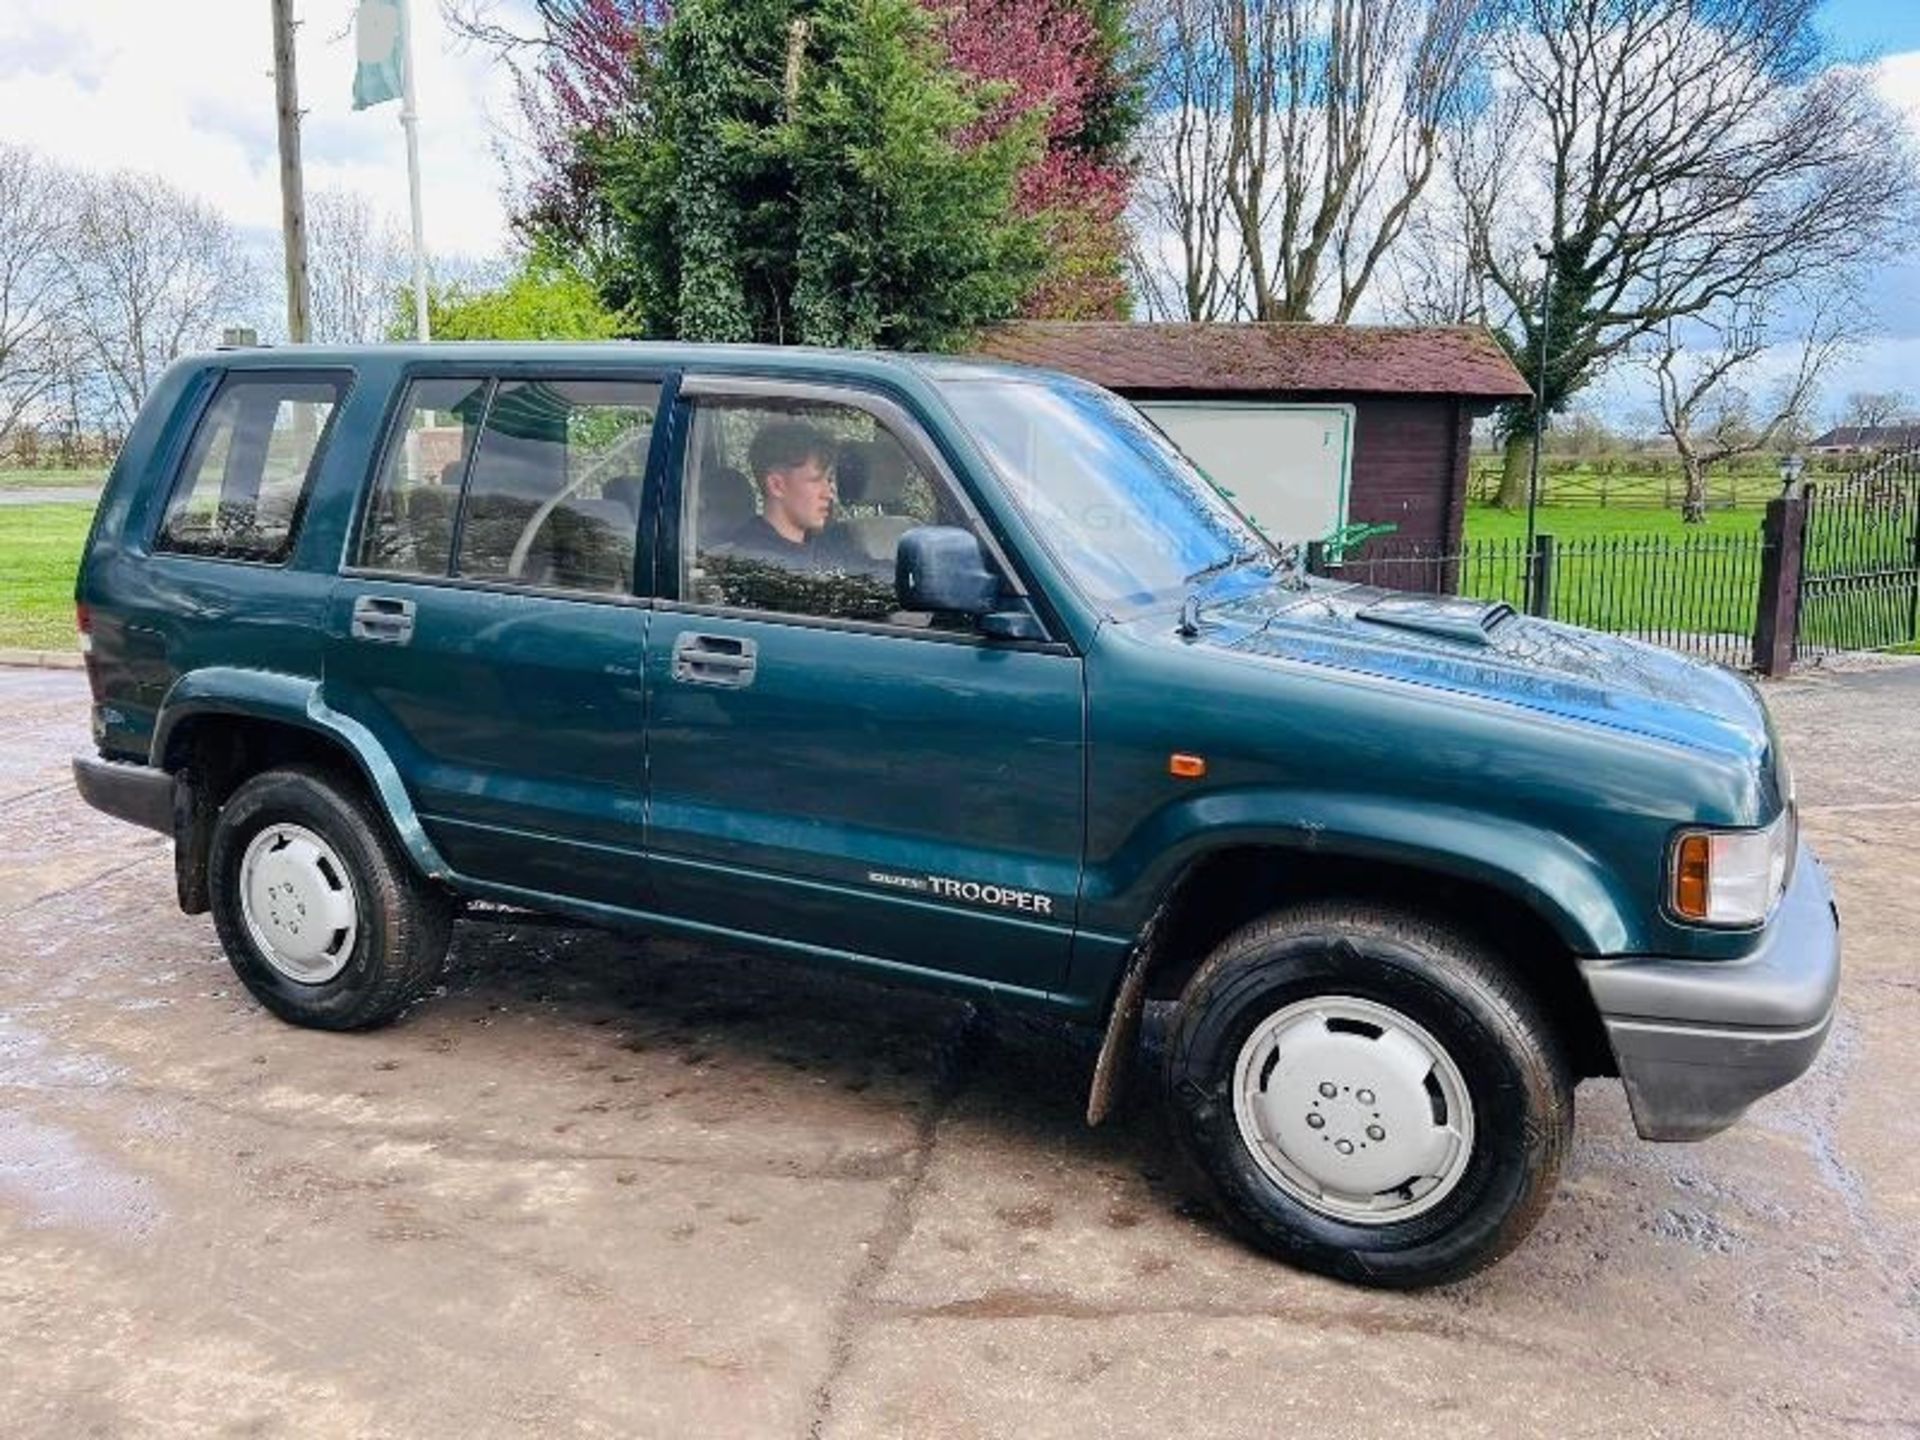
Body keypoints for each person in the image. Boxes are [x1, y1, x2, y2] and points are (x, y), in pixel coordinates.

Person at [719, 420, 838, 562]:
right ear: (776, 485)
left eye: (828, 480)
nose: (829, 494)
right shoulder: (748, 563)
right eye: (815, 480)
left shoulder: (835, 547)